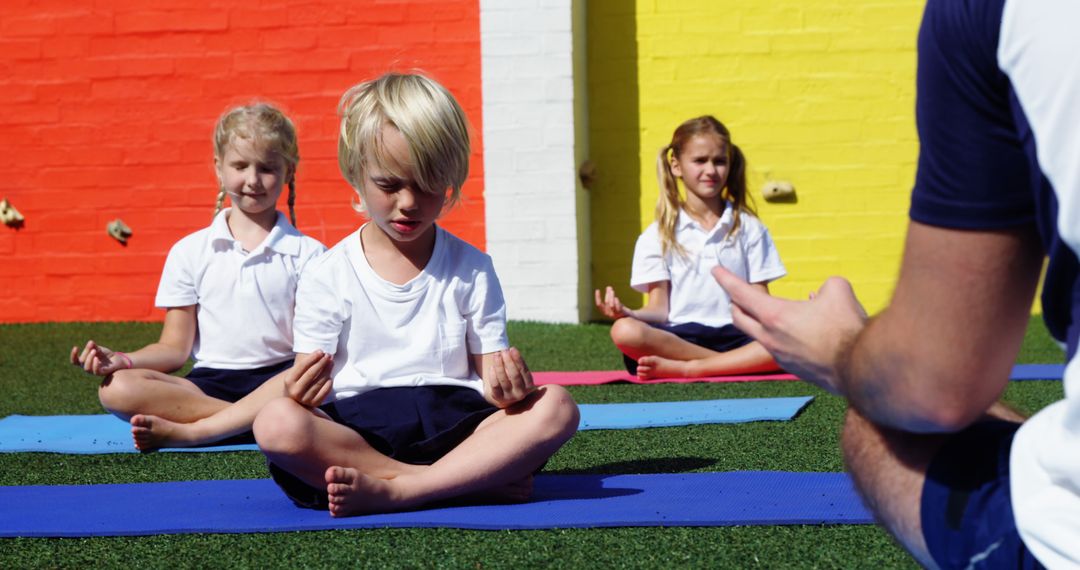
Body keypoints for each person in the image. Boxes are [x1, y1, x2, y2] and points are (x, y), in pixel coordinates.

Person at [713, 0, 1080, 567]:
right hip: (691, 332)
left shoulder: (986, 15)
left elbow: (935, 388)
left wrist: (840, 347)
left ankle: (689, 368)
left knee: (879, 424)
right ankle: (685, 364)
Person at [247, 72, 580, 517]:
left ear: (451, 179)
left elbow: (491, 384)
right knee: (274, 422)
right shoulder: (326, 273)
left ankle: (402, 491)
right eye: (389, 185)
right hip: (362, 434)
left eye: (427, 185)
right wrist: (299, 390)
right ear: (357, 176)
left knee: (557, 406)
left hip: (457, 424)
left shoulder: (472, 267)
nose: (409, 202)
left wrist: (507, 390)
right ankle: (463, 481)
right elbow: (311, 389)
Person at [70, 102, 326, 449]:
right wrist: (122, 360)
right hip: (207, 385)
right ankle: (254, 423)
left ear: (288, 171)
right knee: (118, 388)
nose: (252, 180)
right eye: (240, 166)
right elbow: (174, 349)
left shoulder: (310, 255)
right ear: (219, 168)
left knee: (313, 385)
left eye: (267, 168)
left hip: (280, 380)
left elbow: (312, 352)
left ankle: (212, 427)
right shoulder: (189, 252)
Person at [594, 116, 786, 380]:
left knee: (794, 338)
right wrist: (627, 313)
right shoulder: (657, 235)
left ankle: (691, 368)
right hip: (681, 336)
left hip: (740, 334)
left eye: (719, 161)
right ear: (676, 165)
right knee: (624, 331)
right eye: (700, 161)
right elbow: (659, 309)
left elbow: (761, 300)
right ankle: (735, 364)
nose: (711, 170)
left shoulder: (750, 227)